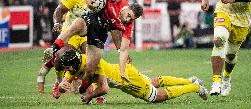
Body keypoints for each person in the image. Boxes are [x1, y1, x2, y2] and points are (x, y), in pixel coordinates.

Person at [51, 0, 144, 95]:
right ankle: (53, 48)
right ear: (127, 7)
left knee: (90, 71)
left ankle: (82, 89)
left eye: (131, 19)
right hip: (92, 19)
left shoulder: (129, 25)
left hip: (100, 34)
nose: (127, 19)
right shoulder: (117, 0)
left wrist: (122, 71)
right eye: (128, 15)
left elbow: (124, 50)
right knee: (77, 25)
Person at [37, 0, 109, 98]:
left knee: (93, 61)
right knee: (60, 57)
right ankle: (58, 82)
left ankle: (96, 92)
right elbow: (59, 10)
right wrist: (57, 22)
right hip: (70, 32)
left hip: (87, 35)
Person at [58, 49, 208, 103]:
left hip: (126, 80)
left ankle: (195, 87)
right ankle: (189, 80)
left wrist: (88, 96)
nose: (67, 70)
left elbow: (104, 88)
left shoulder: (93, 64)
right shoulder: (75, 64)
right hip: (122, 70)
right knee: (154, 82)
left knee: (157, 97)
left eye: (67, 67)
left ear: (75, 63)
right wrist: (61, 87)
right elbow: (65, 84)